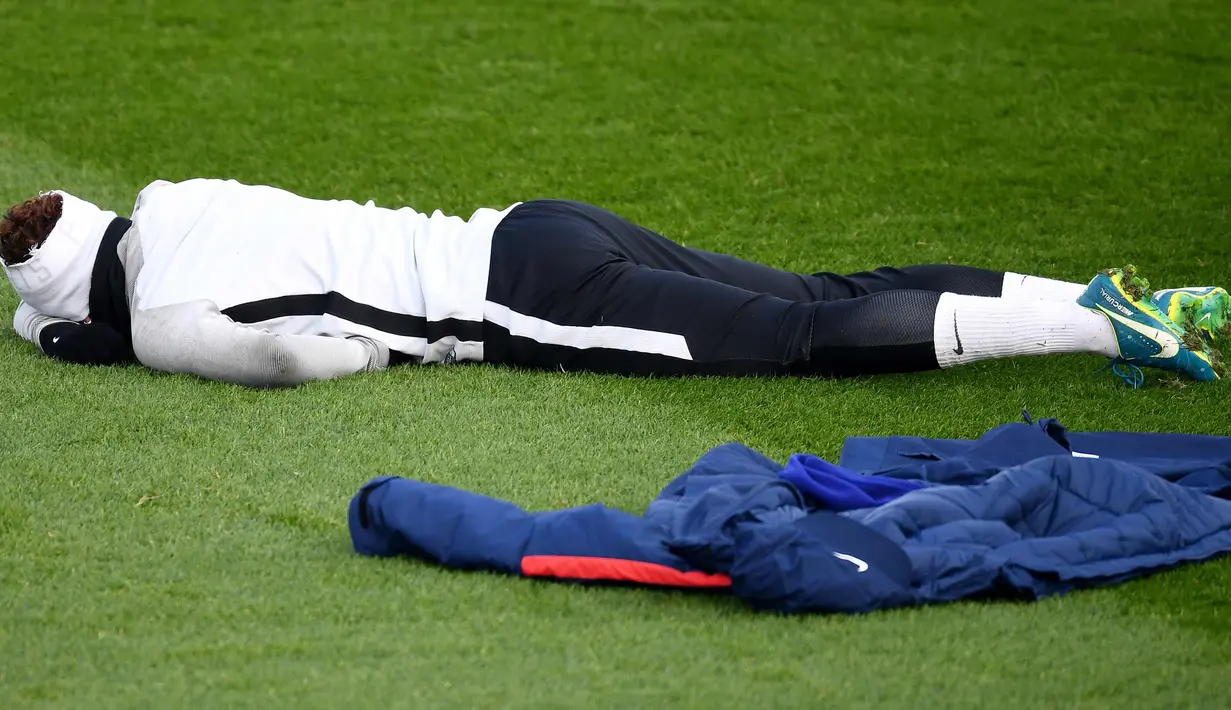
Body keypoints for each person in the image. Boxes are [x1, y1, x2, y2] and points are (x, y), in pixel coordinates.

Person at [1, 179, 1225, 388]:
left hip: (518, 303)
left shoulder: (159, 323)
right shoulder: (172, 202)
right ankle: (1123, 295)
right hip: (535, 221)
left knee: (796, 336)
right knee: (822, 280)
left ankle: (1090, 326)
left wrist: (371, 351)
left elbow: (294, 354)